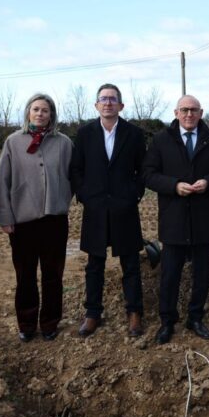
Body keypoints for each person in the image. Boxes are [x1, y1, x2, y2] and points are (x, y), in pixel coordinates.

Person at [143, 95, 209, 344]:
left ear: (201, 112)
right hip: (174, 218)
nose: (189, 114)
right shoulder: (161, 140)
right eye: (184, 110)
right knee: (170, 273)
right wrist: (174, 185)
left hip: (205, 217)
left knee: (202, 273)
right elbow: (149, 174)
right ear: (176, 112)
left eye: (193, 110)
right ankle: (167, 321)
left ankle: (195, 318)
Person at [0, 94, 73, 342]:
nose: (40, 114)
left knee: (53, 275)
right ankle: (26, 324)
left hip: (54, 221)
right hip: (23, 222)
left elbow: (73, 176)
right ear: (28, 112)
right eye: (36, 109)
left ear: (52, 115)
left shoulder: (64, 143)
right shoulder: (13, 142)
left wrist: (62, 200)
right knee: (25, 275)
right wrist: (5, 216)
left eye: (45, 110)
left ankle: (50, 322)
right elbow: (2, 182)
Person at [71, 83, 147, 338]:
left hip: (124, 209)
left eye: (113, 99)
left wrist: (133, 194)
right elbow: (76, 170)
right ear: (96, 105)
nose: (107, 103)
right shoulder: (84, 134)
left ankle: (134, 313)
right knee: (95, 265)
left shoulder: (135, 134)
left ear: (121, 105)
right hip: (96, 209)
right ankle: (92, 313)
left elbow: (143, 170)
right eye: (103, 99)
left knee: (131, 264)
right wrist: (85, 196)